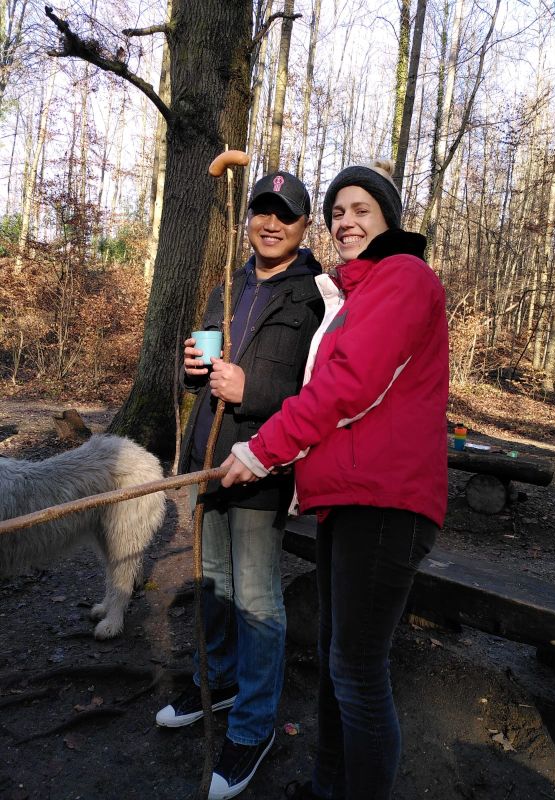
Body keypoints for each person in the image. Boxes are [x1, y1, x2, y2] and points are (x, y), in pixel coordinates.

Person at [221, 161, 449, 800]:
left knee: (357, 673)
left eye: (361, 211)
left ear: (388, 219)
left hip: (388, 501)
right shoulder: (358, 291)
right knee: (336, 664)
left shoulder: (404, 278)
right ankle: (327, 787)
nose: (346, 222)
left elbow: (347, 387)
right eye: (338, 213)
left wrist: (263, 450)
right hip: (349, 499)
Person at [155, 171, 324, 800]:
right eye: (261, 210)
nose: (270, 222)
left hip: (263, 466)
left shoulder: (316, 299)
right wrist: (193, 373)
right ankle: (220, 683)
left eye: (285, 213)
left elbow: (321, 397)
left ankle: (254, 727)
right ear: (248, 218)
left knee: (256, 597)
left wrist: (250, 391)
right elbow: (199, 379)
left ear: (305, 226)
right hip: (210, 459)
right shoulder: (228, 286)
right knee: (216, 583)